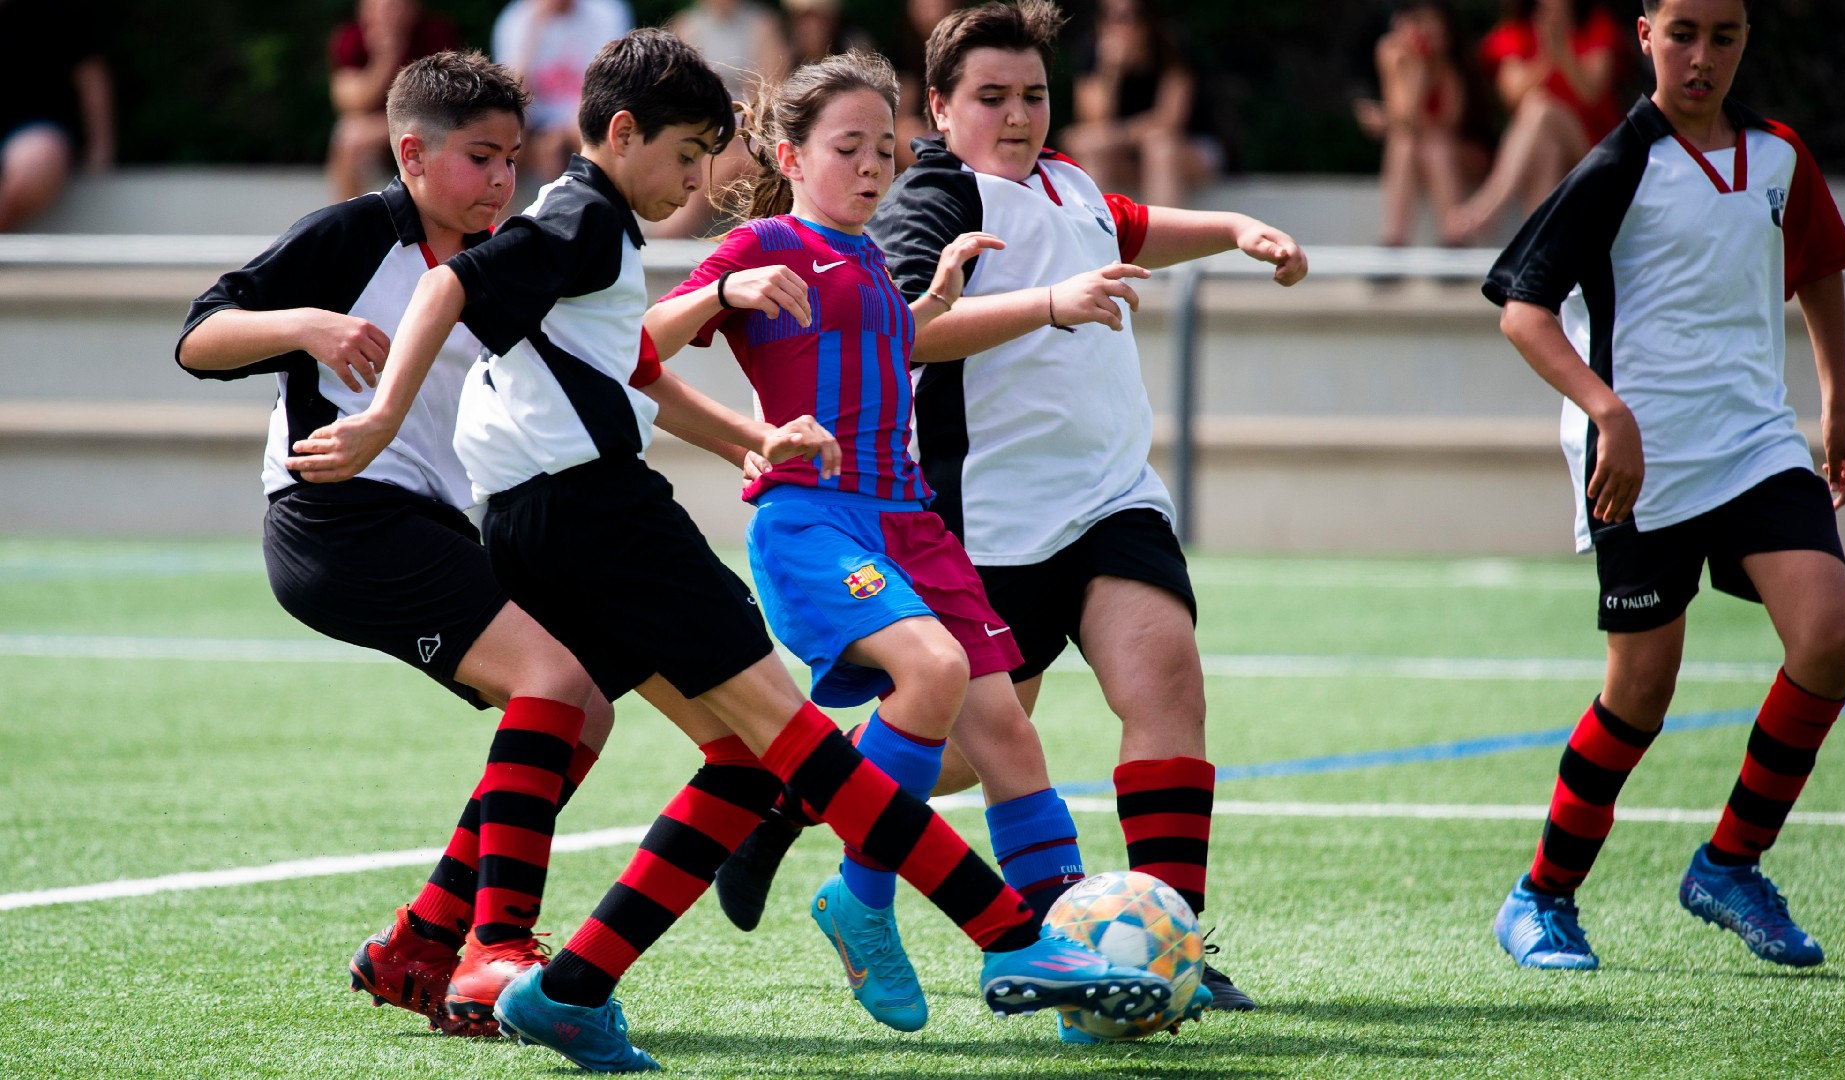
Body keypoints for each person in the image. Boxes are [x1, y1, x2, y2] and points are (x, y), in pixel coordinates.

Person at [286, 28, 1170, 1072]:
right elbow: (453, 290)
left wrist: (753, 435)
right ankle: (1013, 939)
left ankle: (558, 985)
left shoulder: (603, 230)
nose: (703, 177)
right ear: (623, 134)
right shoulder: (582, 214)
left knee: (747, 763)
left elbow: (629, 374)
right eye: (690, 152)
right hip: (603, 520)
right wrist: (387, 418)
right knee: (799, 744)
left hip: (554, 519)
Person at [644, 50, 1136, 1035]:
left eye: (885, 148)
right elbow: (644, 341)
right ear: (789, 153)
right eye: (848, 148)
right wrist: (723, 297)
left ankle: (1061, 963)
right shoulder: (763, 245)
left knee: (1008, 733)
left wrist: (936, 304)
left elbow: (879, 344)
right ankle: (862, 902)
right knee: (934, 670)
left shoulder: (866, 254)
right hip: (813, 519)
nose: (873, 167)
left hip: (909, 520)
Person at [863, 0, 1307, 1021]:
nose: (1017, 116)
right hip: (986, 529)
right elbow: (900, 330)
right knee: (953, 759)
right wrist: (1051, 303)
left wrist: (1239, 230)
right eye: (991, 98)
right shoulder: (935, 191)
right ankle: (800, 791)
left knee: (1166, 681)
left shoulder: (1067, 183)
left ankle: (1175, 946)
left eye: (1033, 94)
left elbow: (1136, 225)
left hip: (1110, 503)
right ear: (939, 105)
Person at [176, 51, 615, 1038]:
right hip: (335, 516)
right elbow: (199, 337)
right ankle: (495, 955)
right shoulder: (356, 233)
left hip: (425, 523)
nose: (502, 181)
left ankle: (424, 941)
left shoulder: (502, 257)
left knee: (584, 710)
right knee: (549, 683)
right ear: (411, 155)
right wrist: (310, 327)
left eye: (513, 159)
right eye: (479, 159)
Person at [1482, 0, 1845, 973]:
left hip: (1754, 443)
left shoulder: (1778, 154)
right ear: (1644, 32)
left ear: (1746, 41)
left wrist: (1835, 408)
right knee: (1640, 696)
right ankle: (1542, 896)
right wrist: (1609, 414)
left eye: (1724, 36)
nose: (1702, 57)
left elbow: (1816, 264)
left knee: (1830, 636)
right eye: (1682, 32)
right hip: (1637, 465)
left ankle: (1731, 864)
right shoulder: (1619, 163)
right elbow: (1522, 312)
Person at [1445, 0, 1623, 244]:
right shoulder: (1517, 30)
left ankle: (1489, 205)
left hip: (1595, 149)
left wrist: (1562, 48)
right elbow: (1512, 95)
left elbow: (1592, 92)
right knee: (1546, 147)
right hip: (1545, 147)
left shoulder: (1596, 25)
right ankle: (1539, 252)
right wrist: (1546, 55)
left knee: (1540, 108)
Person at [1058, 0, 1220, 210]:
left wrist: (1115, 136)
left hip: (1191, 147)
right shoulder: (1092, 53)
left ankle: (1165, 239)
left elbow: (1168, 122)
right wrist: (1110, 71)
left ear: (1147, 21)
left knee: (1159, 149)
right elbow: (1093, 122)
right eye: (1107, 16)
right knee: (1090, 148)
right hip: (1128, 153)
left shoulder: (1171, 50)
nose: (1115, 26)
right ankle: (1101, 233)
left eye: (1126, 17)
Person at [1358, 0, 1491, 247]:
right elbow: (1406, 119)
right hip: (1419, 151)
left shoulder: (1452, 64)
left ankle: (1454, 236)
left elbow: (1448, 123)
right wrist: (1416, 69)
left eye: (1432, 21)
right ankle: (1394, 239)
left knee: (1435, 144)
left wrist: (1434, 68)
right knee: (1405, 143)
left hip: (1463, 153)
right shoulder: (1392, 53)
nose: (1427, 29)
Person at [656, 0, 790, 237]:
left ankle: (667, 233)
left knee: (730, 161)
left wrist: (740, 131)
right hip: (705, 125)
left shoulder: (762, 26)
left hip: (748, 128)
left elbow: (770, 92)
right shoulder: (686, 26)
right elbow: (679, 94)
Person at [326, 0, 461, 202]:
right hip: (380, 128)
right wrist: (386, 57)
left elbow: (442, 102)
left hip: (428, 122)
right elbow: (351, 101)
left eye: (397, 6)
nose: (391, 14)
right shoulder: (352, 38)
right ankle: (351, 225)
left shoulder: (435, 35)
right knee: (348, 140)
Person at [0, 0, 114, 231]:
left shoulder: (58, 11)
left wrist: (100, 148)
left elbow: (91, 77)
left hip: (39, 135)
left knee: (36, 158)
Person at [491, 0, 634, 185]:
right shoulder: (516, 19)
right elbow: (513, 92)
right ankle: (501, 212)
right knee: (505, 132)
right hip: (535, 121)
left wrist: (561, 133)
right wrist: (534, 29)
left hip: (581, 114)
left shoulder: (608, 12)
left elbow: (610, 83)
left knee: (588, 131)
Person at [888, 0, 963, 170]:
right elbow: (902, 114)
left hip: (961, 125)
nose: (929, 8)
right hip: (926, 131)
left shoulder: (968, 48)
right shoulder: (901, 50)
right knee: (905, 132)